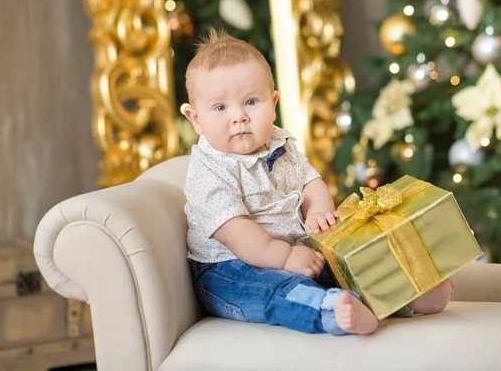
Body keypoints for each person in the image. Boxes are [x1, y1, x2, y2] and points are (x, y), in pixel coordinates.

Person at [182, 28, 453, 336]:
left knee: (343, 267)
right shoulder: (208, 172)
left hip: (293, 249)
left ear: (273, 102)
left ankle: (407, 297)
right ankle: (329, 311)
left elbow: (310, 181)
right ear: (196, 119)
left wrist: (318, 210)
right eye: (220, 108)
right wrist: (284, 257)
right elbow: (238, 234)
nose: (239, 117)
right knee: (279, 290)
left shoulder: (279, 143)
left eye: (251, 102)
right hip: (230, 269)